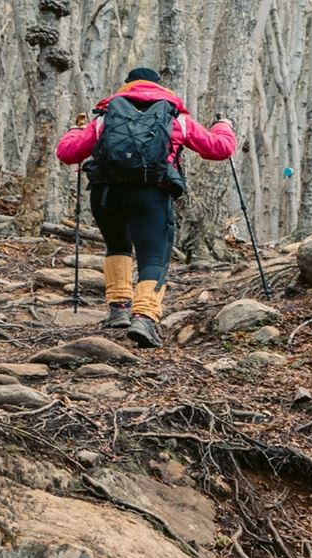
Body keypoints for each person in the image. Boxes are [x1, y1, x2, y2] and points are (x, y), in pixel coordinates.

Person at [55, 67, 236, 349]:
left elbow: (68, 153)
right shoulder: (175, 117)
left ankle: (119, 309)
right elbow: (220, 149)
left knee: (117, 246)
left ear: (126, 87)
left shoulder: (107, 117)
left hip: (106, 195)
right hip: (150, 194)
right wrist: (224, 125)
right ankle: (145, 318)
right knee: (153, 257)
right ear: (160, 88)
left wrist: (74, 131)